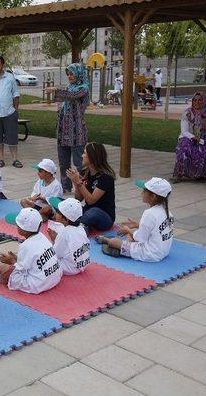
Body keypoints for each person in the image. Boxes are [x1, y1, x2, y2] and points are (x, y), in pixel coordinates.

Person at [96, 178, 173, 262]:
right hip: (163, 251)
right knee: (131, 234)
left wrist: (127, 230)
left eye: (144, 191)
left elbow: (140, 238)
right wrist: (137, 225)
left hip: (149, 254)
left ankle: (108, 241)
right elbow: (155, 229)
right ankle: (125, 247)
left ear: (153, 196)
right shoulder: (167, 212)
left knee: (114, 242)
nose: (141, 193)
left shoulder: (149, 213)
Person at [0, 208, 62, 294]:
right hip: (55, 277)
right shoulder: (42, 236)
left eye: (18, 225)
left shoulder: (25, 246)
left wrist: (11, 261)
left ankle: (6, 279)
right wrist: (16, 260)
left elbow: (22, 271)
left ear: (24, 230)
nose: (17, 226)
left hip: (38, 284)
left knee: (2, 267)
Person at [45, 63, 89, 193]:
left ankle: (83, 187)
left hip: (77, 132)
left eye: (72, 73)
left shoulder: (83, 88)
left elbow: (72, 95)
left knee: (80, 163)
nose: (69, 76)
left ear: (79, 74)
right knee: (63, 162)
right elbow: (66, 96)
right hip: (63, 130)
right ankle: (65, 187)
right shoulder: (70, 87)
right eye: (68, 74)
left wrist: (55, 90)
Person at [172, 92, 206, 182]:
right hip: (189, 136)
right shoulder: (187, 112)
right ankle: (178, 174)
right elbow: (184, 131)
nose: (197, 102)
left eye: (200, 100)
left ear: (204, 100)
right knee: (184, 146)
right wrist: (193, 137)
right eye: (195, 100)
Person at [67, 142, 116, 231]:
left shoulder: (106, 177)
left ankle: (77, 226)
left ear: (92, 157)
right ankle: (79, 224)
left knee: (93, 212)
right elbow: (78, 198)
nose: (82, 155)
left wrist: (78, 181)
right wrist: (76, 182)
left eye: (85, 153)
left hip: (104, 217)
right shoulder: (85, 172)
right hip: (87, 211)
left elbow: (91, 200)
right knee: (66, 204)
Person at [48, 198, 90, 275]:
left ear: (66, 219)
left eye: (57, 212)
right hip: (84, 263)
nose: (55, 213)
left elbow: (55, 254)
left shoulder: (64, 233)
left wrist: (54, 240)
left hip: (70, 268)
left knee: (45, 262)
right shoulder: (81, 228)